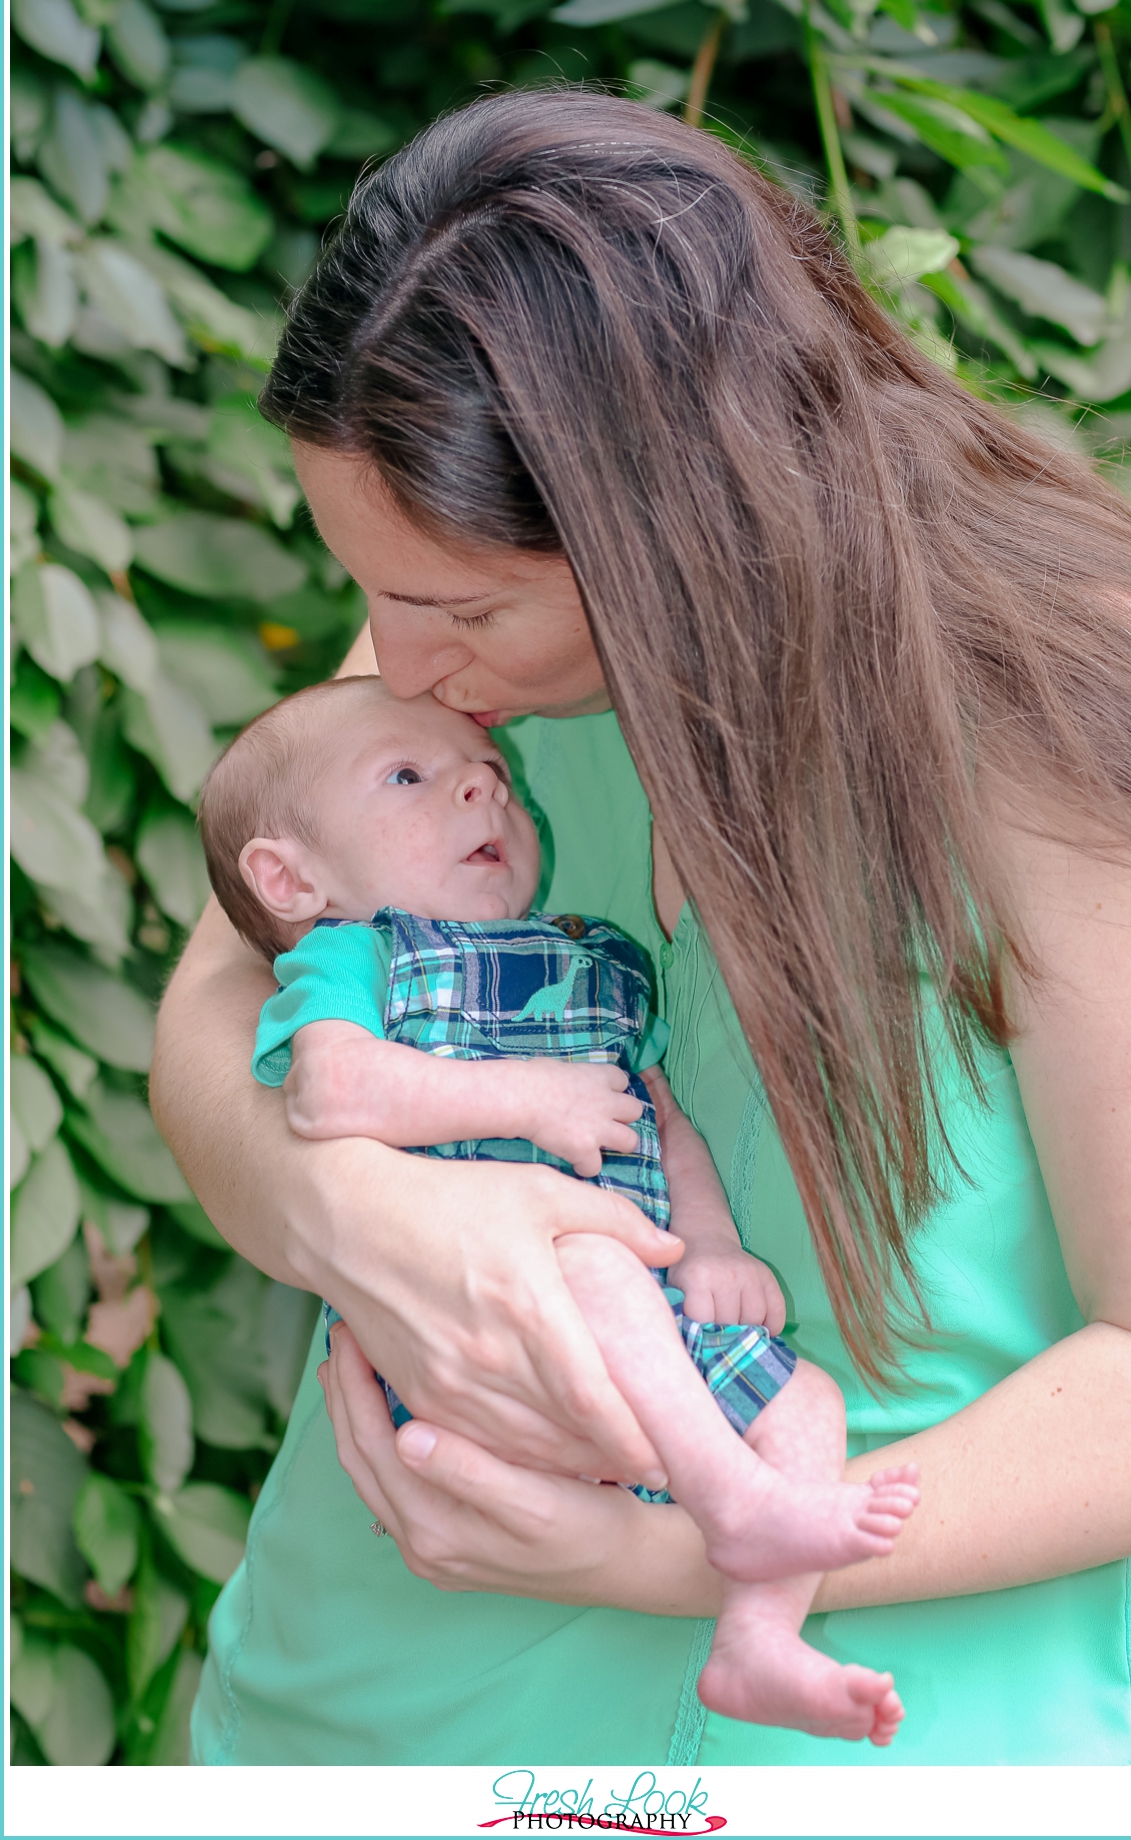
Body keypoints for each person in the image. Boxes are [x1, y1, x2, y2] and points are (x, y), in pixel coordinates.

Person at [152, 90, 1131, 1767]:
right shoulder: (458, 644)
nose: (396, 667)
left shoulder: (1062, 705)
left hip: (875, 1747)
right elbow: (212, 1014)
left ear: (667, 519)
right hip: (353, 1718)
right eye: (378, 595)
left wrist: (670, 1554)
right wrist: (344, 1206)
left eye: (453, 606)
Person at [196, 675, 923, 1740]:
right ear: (290, 876)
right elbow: (331, 1090)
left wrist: (711, 1241)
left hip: (646, 1323)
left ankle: (759, 1641)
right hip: (495, 1335)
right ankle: (735, 1502)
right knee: (584, 1256)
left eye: (497, 780)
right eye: (411, 776)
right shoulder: (359, 957)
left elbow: (659, 1114)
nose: (482, 794)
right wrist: (525, 1098)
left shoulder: (599, 961)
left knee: (807, 1403)